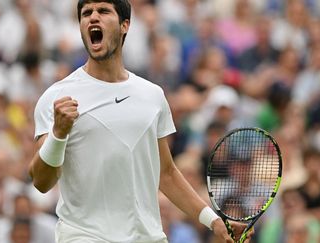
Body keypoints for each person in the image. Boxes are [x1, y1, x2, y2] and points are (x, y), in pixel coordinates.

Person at [28, 0, 252, 242]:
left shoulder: (152, 96)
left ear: (125, 25)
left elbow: (165, 173)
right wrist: (58, 134)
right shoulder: (56, 97)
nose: (93, 18)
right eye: (86, 13)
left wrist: (215, 221)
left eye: (103, 11)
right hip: (84, 236)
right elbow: (41, 181)